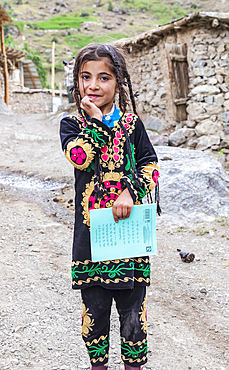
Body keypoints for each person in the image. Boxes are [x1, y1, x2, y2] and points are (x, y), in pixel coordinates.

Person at [60, 43, 160, 370]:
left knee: (133, 317)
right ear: (76, 81)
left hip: (129, 239)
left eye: (104, 77)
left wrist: (130, 190)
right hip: (90, 240)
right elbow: (81, 157)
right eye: (85, 77)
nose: (93, 85)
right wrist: (100, 122)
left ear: (118, 83)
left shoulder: (132, 126)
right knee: (95, 314)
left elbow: (150, 164)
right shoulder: (72, 126)